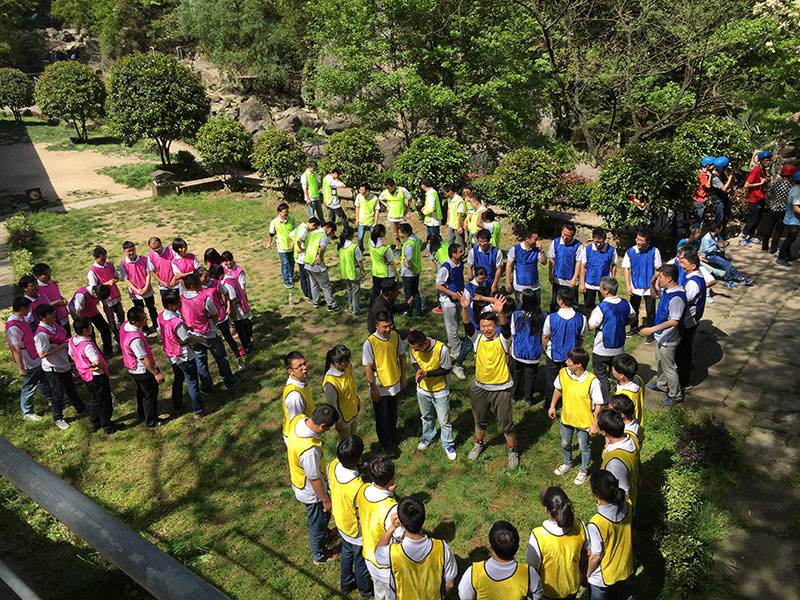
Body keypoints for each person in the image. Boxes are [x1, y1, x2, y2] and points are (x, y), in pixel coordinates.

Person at [460, 293, 520, 469]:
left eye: (489, 326)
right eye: (483, 326)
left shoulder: (503, 340)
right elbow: (467, 326)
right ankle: (478, 444)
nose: (486, 329)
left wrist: (500, 313)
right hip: (480, 387)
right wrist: (465, 308)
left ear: (495, 326)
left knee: (506, 424)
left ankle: (513, 452)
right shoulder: (477, 339)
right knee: (480, 420)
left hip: (501, 388)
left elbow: (506, 329)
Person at [286, 403, 339, 565]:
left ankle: (325, 534)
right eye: (328, 428)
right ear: (322, 426)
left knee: (322, 518)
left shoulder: (299, 420)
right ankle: (320, 555)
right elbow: (314, 478)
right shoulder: (309, 451)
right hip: (311, 492)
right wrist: (326, 500)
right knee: (317, 522)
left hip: (298, 480)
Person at [374, 497, 457, 599]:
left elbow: (378, 553)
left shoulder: (392, 553)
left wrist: (391, 529)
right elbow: (449, 584)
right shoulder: (442, 548)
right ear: (423, 519)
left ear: (401, 523)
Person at [548, 347, 604, 485]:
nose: (566, 362)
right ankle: (568, 463)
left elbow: (598, 404)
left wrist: (595, 423)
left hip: (584, 421)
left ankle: (583, 470)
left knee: (584, 447)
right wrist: (552, 406)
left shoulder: (592, 381)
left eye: (569, 361)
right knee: (565, 444)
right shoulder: (563, 373)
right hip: (567, 418)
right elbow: (558, 389)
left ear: (579, 364)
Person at [327, 435, 373, 598]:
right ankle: (365, 591)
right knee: (360, 561)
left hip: (341, 522)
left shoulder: (332, 465)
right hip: (356, 530)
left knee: (347, 553)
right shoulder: (357, 487)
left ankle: (345, 584)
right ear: (359, 458)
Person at [639, 264, 687, 407]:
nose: (658, 278)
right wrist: (652, 282)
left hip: (669, 339)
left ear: (669, 278)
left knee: (669, 368)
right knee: (660, 362)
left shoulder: (677, 297)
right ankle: (661, 385)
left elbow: (674, 321)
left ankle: (675, 395)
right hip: (662, 336)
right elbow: (655, 295)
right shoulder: (668, 290)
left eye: (660, 276)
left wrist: (651, 330)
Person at [526, 487, 587, 600]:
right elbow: (585, 554)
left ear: (546, 509)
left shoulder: (538, 535)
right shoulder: (579, 525)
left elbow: (532, 568)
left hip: (549, 593)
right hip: (573, 587)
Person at [181, 272, 237, 392]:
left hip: (193, 337)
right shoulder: (204, 298)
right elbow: (215, 314)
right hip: (209, 334)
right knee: (221, 358)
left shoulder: (181, 299)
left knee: (200, 361)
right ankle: (229, 381)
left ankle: (206, 386)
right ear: (193, 286)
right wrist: (213, 324)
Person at [355, 455, 402, 600]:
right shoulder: (391, 509)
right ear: (392, 477)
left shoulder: (362, 489)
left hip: (368, 554)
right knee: (391, 593)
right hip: (385, 563)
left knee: (379, 590)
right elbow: (400, 535)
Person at [461, 520, 543, 600]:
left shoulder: (473, 572)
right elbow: (538, 595)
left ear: (491, 547)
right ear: (517, 547)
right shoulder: (529, 573)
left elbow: (464, 596)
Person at [34, 304, 86, 429]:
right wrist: (61, 347)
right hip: (53, 368)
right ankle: (58, 418)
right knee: (57, 394)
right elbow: (42, 354)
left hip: (63, 364)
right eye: (50, 314)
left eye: (53, 312)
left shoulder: (54, 326)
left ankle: (81, 407)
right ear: (43, 317)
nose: (54, 315)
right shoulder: (41, 334)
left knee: (70, 388)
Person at [407, 329, 456, 460]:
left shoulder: (442, 349)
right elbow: (415, 362)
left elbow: (446, 370)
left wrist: (427, 374)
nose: (415, 351)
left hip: (440, 390)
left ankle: (448, 444)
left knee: (444, 420)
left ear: (425, 343)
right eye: (413, 349)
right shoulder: (413, 347)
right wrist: (418, 371)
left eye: (417, 349)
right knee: (426, 416)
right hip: (422, 389)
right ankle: (428, 436)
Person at [362, 312, 407, 456]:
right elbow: (368, 367)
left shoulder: (395, 336)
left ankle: (393, 434)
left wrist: (403, 376)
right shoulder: (370, 343)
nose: (388, 329)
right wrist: (373, 388)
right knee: (382, 417)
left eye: (389, 325)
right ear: (377, 326)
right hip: (379, 386)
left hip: (394, 382)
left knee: (393, 413)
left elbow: (402, 356)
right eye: (384, 327)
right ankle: (386, 444)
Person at [68, 316, 123, 433]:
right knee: (104, 400)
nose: (92, 327)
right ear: (85, 330)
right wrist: (99, 366)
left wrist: (81, 363)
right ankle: (107, 425)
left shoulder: (72, 340)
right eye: (90, 325)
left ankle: (94, 422)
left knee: (95, 399)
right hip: (96, 376)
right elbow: (96, 361)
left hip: (85, 375)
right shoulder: (87, 346)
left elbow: (71, 354)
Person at [586, 470, 635, 599]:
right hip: (625, 569)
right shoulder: (628, 506)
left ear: (595, 493)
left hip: (603, 578)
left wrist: (587, 574)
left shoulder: (597, 523)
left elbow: (596, 556)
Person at [158, 292, 206, 417]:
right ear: (170, 306)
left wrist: (185, 328)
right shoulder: (176, 321)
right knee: (192, 381)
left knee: (178, 378)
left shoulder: (161, 316)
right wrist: (199, 338)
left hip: (171, 354)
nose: (180, 304)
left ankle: (177, 403)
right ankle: (198, 410)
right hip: (183, 355)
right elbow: (185, 338)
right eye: (177, 303)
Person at [588, 277, 635, 402]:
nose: (599, 289)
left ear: (606, 290)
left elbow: (591, 326)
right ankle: (616, 399)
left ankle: (604, 402)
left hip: (602, 348)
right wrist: (622, 323)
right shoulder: (625, 303)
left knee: (601, 376)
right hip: (619, 347)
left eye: (601, 287)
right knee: (615, 374)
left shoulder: (602, 307)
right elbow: (633, 316)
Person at [120, 305, 167, 427]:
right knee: (150, 395)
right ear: (134, 322)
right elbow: (144, 359)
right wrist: (156, 373)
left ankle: (142, 413)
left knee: (141, 392)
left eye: (145, 316)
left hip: (132, 368)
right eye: (143, 319)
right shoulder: (135, 340)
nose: (146, 320)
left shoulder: (125, 326)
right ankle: (152, 420)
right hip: (142, 371)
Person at [7, 298, 51, 422]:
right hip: (28, 362)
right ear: (22, 308)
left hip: (34, 357)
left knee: (43, 380)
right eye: (28, 308)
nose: (30, 310)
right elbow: (16, 349)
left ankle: (52, 398)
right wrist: (21, 368)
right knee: (30, 386)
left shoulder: (21, 319)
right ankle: (27, 411)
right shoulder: (13, 327)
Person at [542, 287, 586, 406]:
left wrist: (544, 348)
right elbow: (582, 337)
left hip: (553, 354)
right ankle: (569, 402)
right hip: (572, 357)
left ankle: (550, 402)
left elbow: (545, 336)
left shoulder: (551, 318)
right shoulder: (581, 318)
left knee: (551, 380)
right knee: (571, 379)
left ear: (559, 301)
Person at [201, 265, 244, 370]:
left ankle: (238, 357)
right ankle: (224, 364)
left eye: (208, 275)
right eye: (204, 277)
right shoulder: (197, 289)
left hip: (220, 316)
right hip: (208, 320)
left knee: (228, 337)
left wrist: (228, 306)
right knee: (216, 343)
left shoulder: (215, 283)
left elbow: (226, 293)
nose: (208, 278)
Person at [622, 230, 661, 341]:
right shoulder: (630, 251)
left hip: (649, 288)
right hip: (635, 286)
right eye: (637, 239)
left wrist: (656, 285)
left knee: (650, 311)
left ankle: (650, 332)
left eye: (641, 241)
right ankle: (633, 328)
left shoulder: (654, 251)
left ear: (647, 242)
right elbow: (626, 269)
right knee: (634, 309)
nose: (638, 242)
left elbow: (658, 269)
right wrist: (628, 285)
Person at [598, 408, 639, 509]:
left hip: (620, 511)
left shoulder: (615, 463)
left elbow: (623, 493)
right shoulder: (632, 437)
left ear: (603, 432)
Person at [676, 252, 706, 391]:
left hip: (689, 320)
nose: (681, 265)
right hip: (690, 319)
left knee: (683, 351)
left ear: (693, 266)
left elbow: (684, 300)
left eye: (684, 263)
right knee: (685, 349)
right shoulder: (693, 277)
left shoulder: (693, 283)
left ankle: (684, 380)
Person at [511, 288, 546, 407]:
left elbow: (513, 332)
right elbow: (544, 334)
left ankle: (514, 395)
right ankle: (528, 399)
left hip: (518, 351)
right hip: (534, 352)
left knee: (516, 375)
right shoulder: (542, 316)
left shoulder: (516, 315)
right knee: (531, 377)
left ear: (523, 301)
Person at [119, 241, 158, 334]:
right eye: (129, 251)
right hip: (135, 293)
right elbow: (126, 279)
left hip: (147, 290)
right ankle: (144, 329)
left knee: (152, 308)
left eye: (133, 250)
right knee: (139, 312)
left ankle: (156, 325)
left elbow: (148, 273)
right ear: (124, 251)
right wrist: (136, 290)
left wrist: (146, 287)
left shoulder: (144, 259)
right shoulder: (123, 264)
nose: (131, 253)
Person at [435, 243, 465, 357]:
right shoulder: (445, 268)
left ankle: (452, 341)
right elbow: (438, 285)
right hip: (448, 302)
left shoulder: (460, 264)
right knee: (451, 327)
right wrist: (452, 294)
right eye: (460, 252)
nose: (462, 253)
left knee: (455, 324)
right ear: (453, 254)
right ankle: (455, 351)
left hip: (458, 299)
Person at [323, 345, 361, 438]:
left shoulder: (348, 367)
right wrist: (337, 421)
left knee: (354, 438)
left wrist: (357, 400)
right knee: (346, 442)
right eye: (345, 361)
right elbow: (332, 404)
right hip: (343, 418)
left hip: (353, 410)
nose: (348, 363)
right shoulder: (330, 382)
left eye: (348, 359)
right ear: (336, 362)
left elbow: (353, 385)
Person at [699, 221, 752, 286]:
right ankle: (728, 280)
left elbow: (720, 244)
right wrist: (717, 246)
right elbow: (706, 250)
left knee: (729, 265)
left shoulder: (717, 235)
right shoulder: (706, 238)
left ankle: (741, 278)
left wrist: (723, 245)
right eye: (721, 227)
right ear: (716, 229)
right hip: (708, 256)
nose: (722, 229)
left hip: (716, 253)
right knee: (727, 264)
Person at [578, 229, 618, 313]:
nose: (598, 245)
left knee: (605, 307)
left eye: (601, 242)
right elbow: (583, 266)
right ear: (593, 239)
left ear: (605, 240)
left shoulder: (611, 250)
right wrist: (582, 283)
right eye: (596, 242)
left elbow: (614, 265)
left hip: (604, 284)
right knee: (588, 307)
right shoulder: (587, 249)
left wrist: (612, 280)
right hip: (590, 283)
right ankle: (589, 320)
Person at [69, 284, 114, 357]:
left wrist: (110, 322)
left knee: (105, 328)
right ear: (94, 292)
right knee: (89, 333)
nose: (99, 300)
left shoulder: (102, 292)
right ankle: (95, 354)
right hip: (79, 312)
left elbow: (106, 307)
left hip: (92, 309)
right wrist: (87, 324)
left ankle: (108, 351)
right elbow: (79, 312)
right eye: (99, 298)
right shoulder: (81, 295)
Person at [88, 245, 124, 332]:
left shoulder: (110, 265)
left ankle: (121, 331)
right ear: (95, 258)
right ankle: (116, 334)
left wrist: (115, 280)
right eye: (102, 259)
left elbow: (116, 276)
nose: (104, 260)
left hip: (115, 295)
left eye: (105, 258)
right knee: (111, 318)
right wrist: (107, 283)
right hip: (106, 299)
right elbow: (94, 288)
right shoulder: (92, 272)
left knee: (121, 314)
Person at [740, 150, 772, 247]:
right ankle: (743, 237)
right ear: (761, 160)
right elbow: (746, 185)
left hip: (760, 197)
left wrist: (766, 180)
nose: (769, 162)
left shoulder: (762, 170)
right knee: (753, 219)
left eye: (769, 160)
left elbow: (763, 180)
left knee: (758, 218)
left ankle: (751, 235)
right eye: (766, 160)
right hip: (754, 199)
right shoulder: (755, 170)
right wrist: (760, 183)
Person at [505, 229, 546, 305]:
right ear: (527, 239)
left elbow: (544, 262)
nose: (537, 242)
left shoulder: (537, 250)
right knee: (520, 308)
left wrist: (541, 250)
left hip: (534, 287)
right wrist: (507, 282)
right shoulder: (515, 249)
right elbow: (509, 265)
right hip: (520, 287)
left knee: (535, 309)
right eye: (535, 239)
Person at [547, 223, 581, 313]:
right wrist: (550, 274)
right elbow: (551, 259)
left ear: (572, 236)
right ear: (561, 232)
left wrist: (574, 278)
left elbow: (579, 263)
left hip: (571, 281)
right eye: (564, 234)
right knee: (555, 303)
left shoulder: (578, 245)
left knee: (572, 304)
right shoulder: (555, 242)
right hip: (557, 279)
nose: (565, 237)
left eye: (568, 236)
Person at [282, 351, 314, 444]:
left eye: (304, 363)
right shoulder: (295, 397)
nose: (304, 368)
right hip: (298, 438)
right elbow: (297, 424)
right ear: (290, 371)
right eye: (299, 366)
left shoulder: (300, 382)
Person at [222, 261, 254, 353]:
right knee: (245, 325)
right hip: (241, 306)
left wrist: (231, 311)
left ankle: (246, 347)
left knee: (241, 329)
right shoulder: (231, 278)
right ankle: (249, 342)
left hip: (237, 309)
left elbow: (232, 298)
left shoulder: (227, 283)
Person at [762, 165, 795, 253]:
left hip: (774, 208)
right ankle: (773, 249)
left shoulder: (776, 184)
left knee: (769, 228)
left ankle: (764, 247)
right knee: (778, 231)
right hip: (784, 210)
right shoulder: (792, 187)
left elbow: (769, 194)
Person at [33, 263, 71, 336]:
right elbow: (41, 307)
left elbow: (58, 295)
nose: (49, 276)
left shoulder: (52, 284)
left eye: (49, 273)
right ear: (38, 276)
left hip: (63, 315)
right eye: (46, 275)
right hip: (54, 319)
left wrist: (63, 299)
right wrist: (56, 303)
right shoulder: (38, 290)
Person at [268, 202, 297, 288]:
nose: (286, 213)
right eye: (284, 212)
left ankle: (291, 275)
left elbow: (296, 231)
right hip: (282, 247)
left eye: (287, 211)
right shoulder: (274, 222)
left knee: (292, 262)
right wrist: (269, 243)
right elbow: (271, 234)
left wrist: (294, 241)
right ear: (279, 212)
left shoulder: (292, 219)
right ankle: (286, 281)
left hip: (291, 246)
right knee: (285, 264)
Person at [338, 227, 366, 316]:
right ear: (351, 235)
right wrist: (363, 271)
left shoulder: (340, 247)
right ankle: (356, 310)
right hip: (354, 272)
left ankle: (350, 305)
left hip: (345, 272)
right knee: (356, 291)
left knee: (349, 289)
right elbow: (359, 261)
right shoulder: (354, 247)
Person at [610, 354, 644, 425]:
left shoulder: (624, 396)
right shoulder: (639, 379)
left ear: (621, 375)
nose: (612, 369)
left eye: (614, 368)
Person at [369, 224, 398, 303]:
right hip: (386, 273)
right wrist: (396, 275)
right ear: (382, 233)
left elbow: (374, 241)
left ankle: (373, 307)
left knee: (375, 293)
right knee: (389, 295)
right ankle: (389, 308)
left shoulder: (370, 242)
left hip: (375, 272)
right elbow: (391, 263)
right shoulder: (386, 248)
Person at [467, 229, 503, 294]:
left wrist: (494, 284)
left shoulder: (496, 252)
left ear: (489, 241)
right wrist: (471, 280)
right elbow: (469, 267)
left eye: (485, 242)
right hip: (478, 283)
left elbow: (499, 269)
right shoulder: (473, 251)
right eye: (480, 241)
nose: (482, 244)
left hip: (491, 282)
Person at [398, 223, 423, 316]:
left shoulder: (408, 244)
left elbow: (409, 258)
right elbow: (421, 243)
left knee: (408, 293)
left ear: (406, 233)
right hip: (416, 270)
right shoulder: (416, 238)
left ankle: (408, 312)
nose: (399, 235)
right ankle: (419, 311)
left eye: (401, 233)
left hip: (408, 272)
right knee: (415, 291)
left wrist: (408, 265)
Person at [379, 178, 411, 249]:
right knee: (395, 235)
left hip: (401, 217)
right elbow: (380, 199)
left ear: (393, 185)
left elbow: (410, 198)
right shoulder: (385, 192)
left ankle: (409, 246)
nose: (388, 189)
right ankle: (399, 247)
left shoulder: (402, 190)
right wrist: (386, 205)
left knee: (405, 233)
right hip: (392, 217)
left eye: (389, 188)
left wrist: (407, 209)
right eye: (386, 188)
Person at [776, 171, 800, 267]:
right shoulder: (797, 192)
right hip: (794, 220)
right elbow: (796, 208)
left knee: (790, 238)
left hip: (791, 219)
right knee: (789, 239)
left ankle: (788, 255)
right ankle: (781, 257)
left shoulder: (794, 189)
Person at [148, 236, 176, 302]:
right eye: (154, 249)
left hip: (176, 284)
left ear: (161, 243)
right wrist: (161, 282)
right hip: (163, 286)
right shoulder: (151, 256)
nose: (157, 250)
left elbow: (179, 266)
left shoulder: (171, 251)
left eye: (158, 247)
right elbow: (152, 271)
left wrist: (174, 279)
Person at [292, 218, 315, 302]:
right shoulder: (304, 230)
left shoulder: (300, 227)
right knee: (308, 277)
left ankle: (306, 293)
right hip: (303, 257)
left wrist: (294, 244)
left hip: (297, 257)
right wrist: (300, 247)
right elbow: (298, 239)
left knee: (302, 276)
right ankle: (310, 296)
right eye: (314, 227)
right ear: (312, 224)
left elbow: (291, 235)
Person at [709, 156, 734, 231]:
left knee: (727, 216)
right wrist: (729, 180)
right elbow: (723, 188)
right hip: (718, 200)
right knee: (719, 219)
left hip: (724, 198)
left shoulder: (721, 173)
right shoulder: (715, 178)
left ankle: (723, 231)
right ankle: (718, 234)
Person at [355, 183, 380, 251]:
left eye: (362, 190)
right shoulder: (359, 196)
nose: (360, 192)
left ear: (367, 191)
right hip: (361, 221)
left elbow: (377, 210)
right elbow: (357, 208)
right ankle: (361, 250)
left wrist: (376, 222)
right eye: (360, 190)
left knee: (374, 238)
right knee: (360, 238)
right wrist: (357, 219)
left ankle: (374, 250)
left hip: (371, 221)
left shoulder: (374, 198)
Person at [692, 156, 715, 224]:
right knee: (698, 220)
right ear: (708, 165)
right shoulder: (701, 175)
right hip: (699, 200)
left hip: (697, 198)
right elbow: (708, 185)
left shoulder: (698, 172)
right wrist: (710, 176)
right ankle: (695, 230)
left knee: (697, 219)